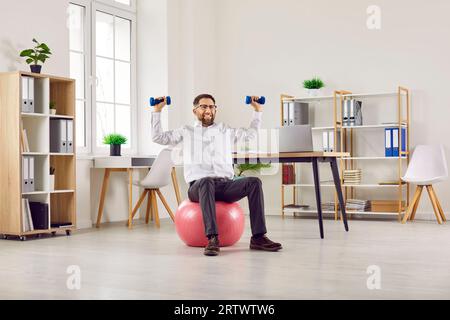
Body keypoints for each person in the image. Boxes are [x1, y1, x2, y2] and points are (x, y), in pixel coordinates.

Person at [151, 94, 282, 256]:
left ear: (215, 110)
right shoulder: (186, 131)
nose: (208, 110)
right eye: (204, 106)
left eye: (211, 107)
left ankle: (258, 237)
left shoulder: (225, 130)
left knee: (254, 182)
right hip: (198, 187)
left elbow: (250, 135)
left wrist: (257, 111)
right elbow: (158, 137)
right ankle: (212, 238)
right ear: (195, 110)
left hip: (224, 185)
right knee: (206, 181)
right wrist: (157, 111)